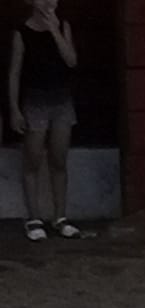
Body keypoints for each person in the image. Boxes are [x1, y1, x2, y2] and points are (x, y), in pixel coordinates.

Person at [7, 0, 80, 242]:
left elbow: (71, 60)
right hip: (35, 101)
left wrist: (55, 30)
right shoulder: (23, 32)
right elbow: (14, 73)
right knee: (33, 158)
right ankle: (34, 217)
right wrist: (14, 109)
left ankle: (60, 217)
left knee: (59, 158)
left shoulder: (63, 25)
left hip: (61, 100)